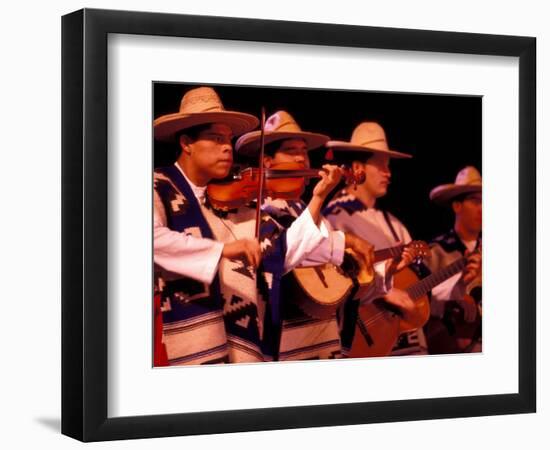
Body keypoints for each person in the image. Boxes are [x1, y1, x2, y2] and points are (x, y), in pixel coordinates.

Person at [153, 87, 333, 365]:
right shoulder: (158, 186)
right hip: (177, 339)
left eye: (228, 139)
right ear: (187, 142)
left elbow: (281, 253)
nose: (227, 147)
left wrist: (319, 197)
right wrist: (223, 250)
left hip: (236, 342)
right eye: (216, 138)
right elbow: (150, 240)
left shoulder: (240, 205)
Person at [236, 111, 387, 361]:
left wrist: (381, 273)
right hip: (285, 345)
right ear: (267, 162)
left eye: (304, 151)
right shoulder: (253, 212)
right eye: (290, 150)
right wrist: (321, 199)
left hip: (322, 340)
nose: (301, 159)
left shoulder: (300, 210)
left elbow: (335, 279)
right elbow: (284, 254)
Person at [323, 121, 427, 356]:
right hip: (364, 336)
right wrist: (386, 292)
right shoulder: (335, 218)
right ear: (358, 167)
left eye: (388, 166)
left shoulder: (394, 223)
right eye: (381, 165)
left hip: (400, 332)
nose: (388, 173)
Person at [422, 166, 483, 353]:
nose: (482, 209)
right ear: (457, 206)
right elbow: (419, 303)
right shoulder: (435, 252)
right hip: (447, 348)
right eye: (475, 201)